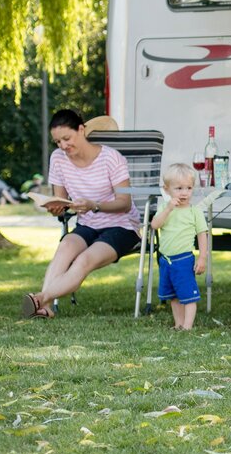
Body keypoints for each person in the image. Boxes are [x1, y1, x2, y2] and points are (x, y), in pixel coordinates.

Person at [20, 109, 141, 319]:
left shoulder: (112, 158)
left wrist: (94, 205)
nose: (63, 146)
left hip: (122, 226)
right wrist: (57, 208)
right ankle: (45, 308)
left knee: (83, 261)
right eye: (58, 142)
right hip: (88, 224)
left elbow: (124, 203)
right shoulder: (58, 159)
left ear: (81, 130)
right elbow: (61, 200)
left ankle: (40, 298)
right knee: (65, 246)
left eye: (67, 138)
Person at [151, 162, 209, 331]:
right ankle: (179, 324)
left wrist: (202, 257)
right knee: (174, 296)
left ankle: (188, 326)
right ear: (167, 189)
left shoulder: (194, 212)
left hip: (184, 259)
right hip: (166, 260)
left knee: (188, 295)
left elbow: (202, 234)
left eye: (189, 188)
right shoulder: (164, 208)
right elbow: (155, 225)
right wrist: (168, 208)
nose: (184, 193)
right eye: (179, 188)